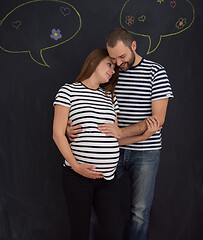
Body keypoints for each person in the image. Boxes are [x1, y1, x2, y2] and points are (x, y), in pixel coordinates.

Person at [67, 29, 174, 240]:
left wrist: (121, 132)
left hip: (145, 151)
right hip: (108, 151)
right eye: (113, 58)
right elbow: (88, 100)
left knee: (139, 212)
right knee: (99, 210)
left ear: (133, 46)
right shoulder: (109, 71)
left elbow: (157, 120)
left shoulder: (156, 72)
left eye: (122, 57)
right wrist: (70, 127)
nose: (117, 63)